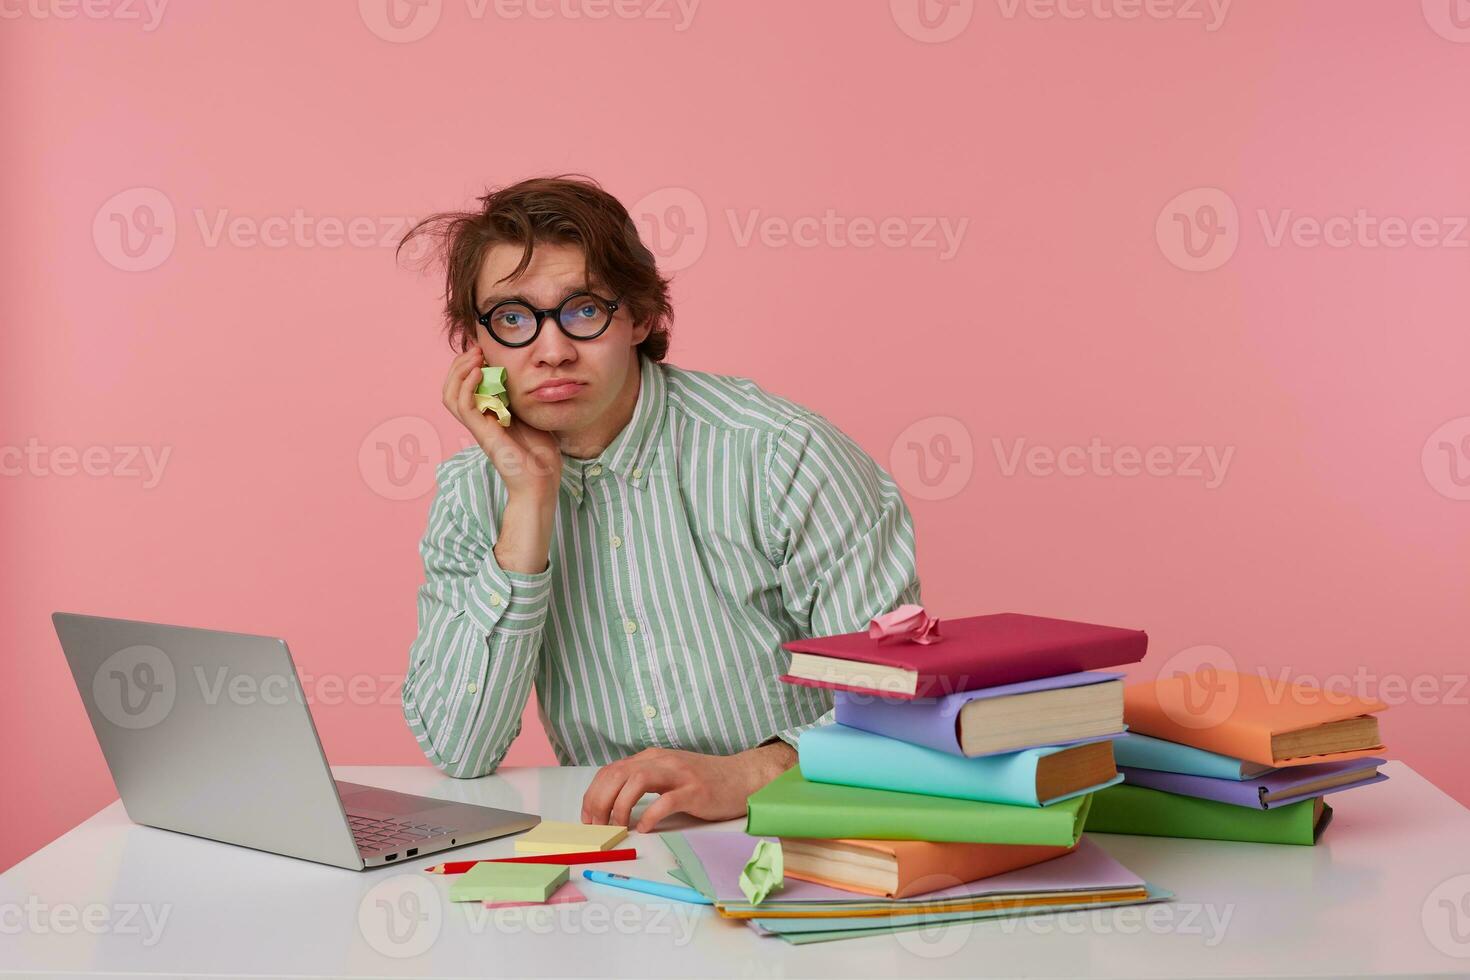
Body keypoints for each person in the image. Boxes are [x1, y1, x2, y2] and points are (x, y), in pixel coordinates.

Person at [397, 174, 920, 833]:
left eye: (584, 310)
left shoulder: (784, 456)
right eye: (513, 318)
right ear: (478, 345)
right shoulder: (474, 489)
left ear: (640, 317)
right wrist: (527, 504)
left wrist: (746, 773)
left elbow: (898, 703)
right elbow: (457, 749)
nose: (551, 351)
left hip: (805, 828)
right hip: (617, 849)